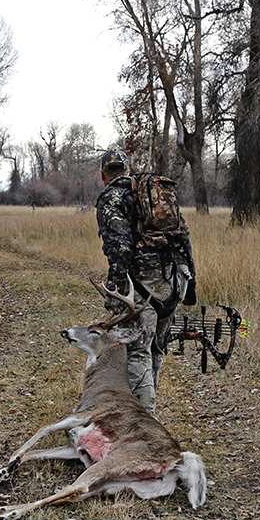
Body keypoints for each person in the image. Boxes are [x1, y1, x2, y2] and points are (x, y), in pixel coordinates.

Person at [95, 150, 195, 417]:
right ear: (127, 171)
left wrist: (114, 295)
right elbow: (184, 237)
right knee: (156, 347)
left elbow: (120, 248)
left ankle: (143, 425)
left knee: (138, 351)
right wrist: (190, 286)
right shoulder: (153, 193)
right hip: (177, 278)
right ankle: (147, 415)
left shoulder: (111, 198)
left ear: (103, 175)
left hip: (148, 283)